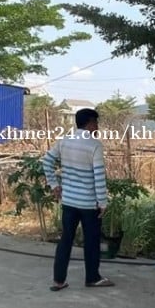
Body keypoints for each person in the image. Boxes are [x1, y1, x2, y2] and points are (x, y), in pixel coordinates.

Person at [42, 107, 114, 291]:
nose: (97, 127)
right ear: (90, 123)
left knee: (66, 240)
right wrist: (102, 202)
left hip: (69, 202)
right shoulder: (94, 145)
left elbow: (47, 161)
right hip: (89, 204)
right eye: (96, 123)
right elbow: (99, 176)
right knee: (91, 242)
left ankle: (58, 281)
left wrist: (54, 184)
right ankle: (92, 278)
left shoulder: (65, 141)